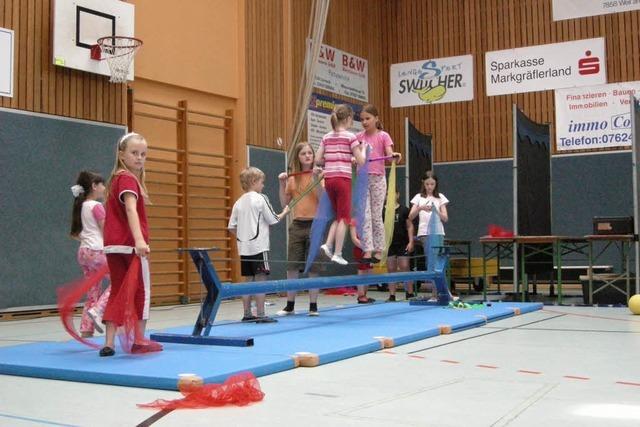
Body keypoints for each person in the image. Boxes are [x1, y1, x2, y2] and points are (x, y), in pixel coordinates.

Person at [100, 132, 162, 357]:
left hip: (113, 246)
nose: (139, 158)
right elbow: (130, 209)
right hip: (130, 246)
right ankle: (139, 339)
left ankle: (108, 343)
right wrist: (139, 240)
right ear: (121, 154)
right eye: (134, 153)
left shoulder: (116, 179)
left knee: (117, 291)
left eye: (143, 154)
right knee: (142, 292)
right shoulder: (127, 179)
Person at [228, 167, 290, 323]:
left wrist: (243, 238)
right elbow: (274, 219)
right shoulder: (261, 198)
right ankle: (261, 314)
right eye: (262, 182)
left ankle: (247, 313)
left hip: (244, 248)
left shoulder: (238, 202)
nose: (263, 186)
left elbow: (231, 227)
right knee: (261, 279)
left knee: (248, 280)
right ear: (254, 182)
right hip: (259, 247)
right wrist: (285, 211)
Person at [315, 104, 366, 265]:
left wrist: (333, 159)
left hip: (329, 180)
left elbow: (317, 160)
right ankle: (338, 253)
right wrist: (363, 149)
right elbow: (361, 162)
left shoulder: (326, 137)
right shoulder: (351, 137)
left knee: (338, 216)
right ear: (349, 118)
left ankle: (328, 245)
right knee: (345, 218)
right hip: (343, 180)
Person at [276, 142, 323, 316]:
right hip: (297, 224)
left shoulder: (318, 174)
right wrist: (282, 184)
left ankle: (313, 305)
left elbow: (322, 199)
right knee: (292, 266)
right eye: (303, 153)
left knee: (313, 268)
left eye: (310, 153)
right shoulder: (292, 178)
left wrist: (317, 179)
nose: (307, 156)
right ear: (298, 157)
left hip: (314, 224)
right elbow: (284, 204)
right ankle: (290, 305)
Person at [356, 104, 401, 263]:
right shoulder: (359, 137)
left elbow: (389, 155)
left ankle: (379, 249)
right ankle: (367, 248)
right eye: (362, 119)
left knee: (376, 214)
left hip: (377, 178)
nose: (364, 122)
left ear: (376, 119)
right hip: (362, 178)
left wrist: (394, 156)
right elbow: (354, 155)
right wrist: (353, 159)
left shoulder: (383, 136)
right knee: (365, 215)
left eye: (368, 118)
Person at [69, 171, 111, 338]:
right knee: (120, 280)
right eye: (102, 185)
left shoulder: (80, 206)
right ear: (94, 186)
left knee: (92, 291)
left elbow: (75, 233)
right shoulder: (96, 206)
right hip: (97, 250)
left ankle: (86, 330)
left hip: (84, 252)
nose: (104, 188)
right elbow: (105, 230)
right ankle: (98, 309)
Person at [408, 171, 450, 300]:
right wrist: (420, 208)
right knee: (430, 261)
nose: (430, 186)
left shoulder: (440, 197)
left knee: (439, 261)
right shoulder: (418, 197)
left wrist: (436, 210)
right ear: (423, 184)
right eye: (427, 184)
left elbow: (445, 218)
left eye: (432, 184)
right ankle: (434, 292)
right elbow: (410, 216)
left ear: (436, 184)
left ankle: (443, 291)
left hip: (438, 232)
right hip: (425, 233)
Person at [384, 191, 415, 301]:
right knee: (391, 269)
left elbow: (410, 226)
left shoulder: (404, 210)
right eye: (388, 194)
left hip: (402, 243)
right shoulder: (383, 210)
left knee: (405, 267)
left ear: (397, 194)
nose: (391, 196)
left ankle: (409, 293)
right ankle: (392, 295)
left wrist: (411, 241)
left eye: (393, 193)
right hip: (389, 244)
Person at [351, 221, 375, 303]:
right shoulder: (354, 220)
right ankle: (361, 296)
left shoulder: (369, 220)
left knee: (370, 272)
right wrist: (365, 248)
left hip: (370, 249)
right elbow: (354, 238)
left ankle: (364, 294)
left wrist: (370, 250)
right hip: (360, 249)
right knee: (362, 272)